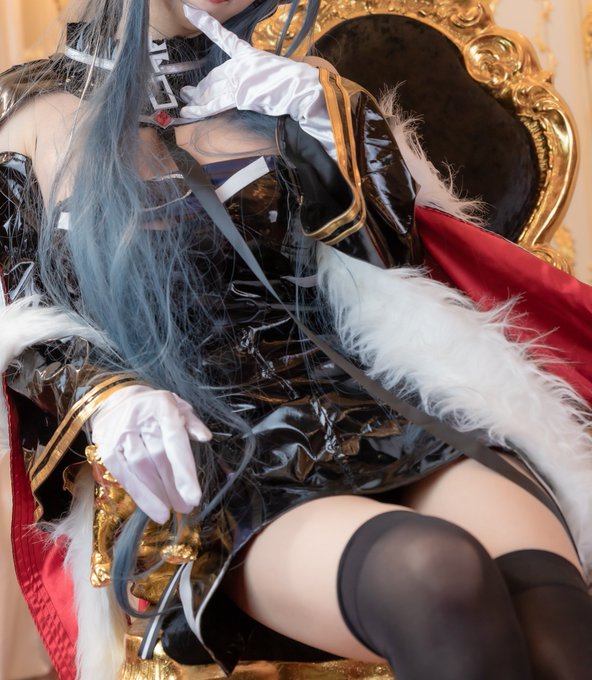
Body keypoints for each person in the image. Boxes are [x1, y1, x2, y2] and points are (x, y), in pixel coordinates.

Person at [1, 1, 591, 679]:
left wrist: (340, 133)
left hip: (376, 406)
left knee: (555, 622)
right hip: (212, 451)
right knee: (437, 576)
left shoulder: (290, 85)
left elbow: (395, 275)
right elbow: (21, 322)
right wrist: (109, 397)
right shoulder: (25, 117)